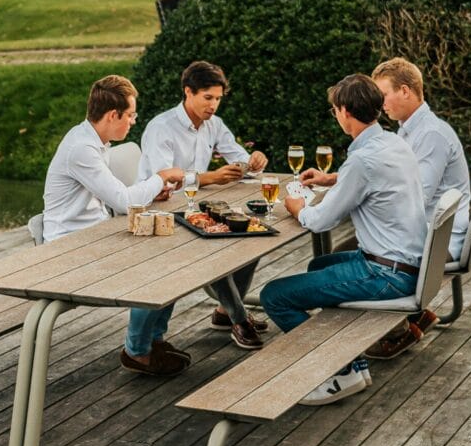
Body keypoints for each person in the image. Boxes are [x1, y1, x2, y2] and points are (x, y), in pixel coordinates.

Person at [260, 74, 428, 405]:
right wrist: (334, 178)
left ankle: (338, 372)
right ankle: (353, 362)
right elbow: (372, 179)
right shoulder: (394, 143)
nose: (336, 116)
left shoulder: (362, 161)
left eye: (335, 110)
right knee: (319, 265)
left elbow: (320, 221)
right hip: (407, 265)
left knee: (274, 296)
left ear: (345, 111)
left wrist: (296, 206)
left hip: (386, 276)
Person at [43, 74, 188, 376]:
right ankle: (138, 352)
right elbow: (123, 201)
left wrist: (150, 194)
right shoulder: (81, 148)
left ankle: (152, 339)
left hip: (95, 235)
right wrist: (160, 177)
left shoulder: (95, 141)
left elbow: (111, 198)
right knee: (158, 265)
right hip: (68, 248)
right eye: (131, 115)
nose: (134, 121)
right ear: (113, 115)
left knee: (174, 255)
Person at [138, 60, 270, 350]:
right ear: (188, 92)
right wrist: (211, 177)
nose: (213, 106)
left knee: (253, 233)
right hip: (160, 213)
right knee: (215, 242)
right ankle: (238, 318)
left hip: (195, 207)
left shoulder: (214, 124)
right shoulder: (161, 128)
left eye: (218, 99)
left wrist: (253, 161)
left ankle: (227, 312)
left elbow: (239, 159)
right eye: (207, 98)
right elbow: (165, 182)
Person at [362, 57, 471, 359]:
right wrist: (336, 178)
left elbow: (416, 196)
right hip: (430, 231)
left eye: (382, 94)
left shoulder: (430, 135)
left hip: (441, 239)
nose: (378, 103)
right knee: (359, 247)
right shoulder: (410, 130)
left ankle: (398, 329)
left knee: (367, 256)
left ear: (406, 91)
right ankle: (415, 316)